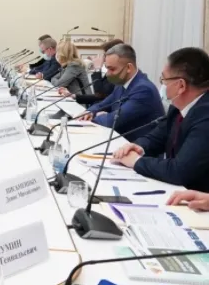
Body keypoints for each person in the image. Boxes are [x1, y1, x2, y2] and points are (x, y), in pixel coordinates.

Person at [113, 47, 209, 191]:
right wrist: (138, 147)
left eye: (164, 80)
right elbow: (157, 137)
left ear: (181, 85)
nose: (162, 85)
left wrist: (136, 161)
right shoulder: (177, 107)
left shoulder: (205, 115)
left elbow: (179, 171)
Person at [80, 44, 164, 141]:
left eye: (112, 69)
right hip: (120, 141)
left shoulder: (144, 90)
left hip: (138, 146)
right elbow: (103, 104)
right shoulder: (121, 83)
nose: (108, 73)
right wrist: (90, 112)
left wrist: (99, 116)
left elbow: (112, 121)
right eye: (107, 68)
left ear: (128, 67)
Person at [60, 38, 123, 106]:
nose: (103, 57)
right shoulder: (112, 71)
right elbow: (100, 95)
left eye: (105, 54)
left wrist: (97, 69)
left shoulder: (118, 74)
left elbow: (100, 94)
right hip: (96, 106)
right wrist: (73, 96)